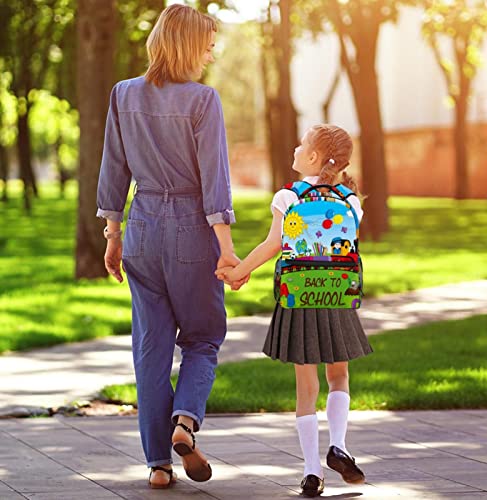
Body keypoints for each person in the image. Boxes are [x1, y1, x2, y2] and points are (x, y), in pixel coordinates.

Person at [96, 4, 247, 489]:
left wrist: (113, 235)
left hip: (140, 227)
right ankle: (185, 421)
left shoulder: (123, 94)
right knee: (203, 338)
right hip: (191, 229)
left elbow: (113, 170)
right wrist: (226, 249)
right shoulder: (203, 100)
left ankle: (158, 464)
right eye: (206, 44)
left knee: (151, 348)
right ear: (185, 45)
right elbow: (214, 182)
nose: (210, 53)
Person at [216, 124, 373, 497]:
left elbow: (274, 244)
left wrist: (238, 272)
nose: (295, 147)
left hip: (298, 296)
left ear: (314, 157)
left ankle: (311, 471)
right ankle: (340, 445)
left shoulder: (289, 197)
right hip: (336, 297)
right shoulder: (351, 201)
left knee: (306, 388)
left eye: (302, 144)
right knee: (339, 377)